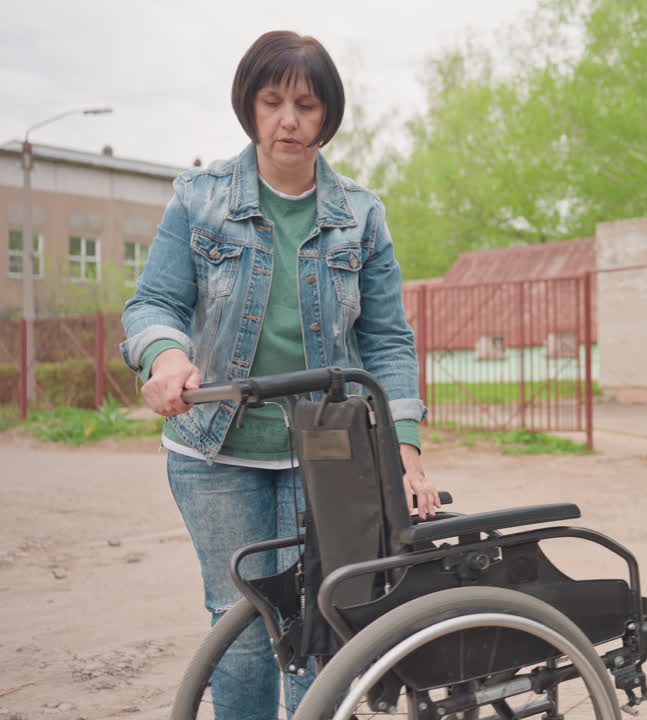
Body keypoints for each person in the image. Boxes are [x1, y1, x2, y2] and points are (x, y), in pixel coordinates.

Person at [120, 30, 440, 718]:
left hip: (328, 450)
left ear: (328, 115)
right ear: (250, 107)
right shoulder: (199, 199)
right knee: (239, 628)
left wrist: (406, 451)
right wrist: (165, 355)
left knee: (325, 620)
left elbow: (388, 341)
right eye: (272, 102)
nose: (288, 120)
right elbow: (154, 304)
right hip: (214, 449)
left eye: (306, 105)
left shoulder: (361, 215)